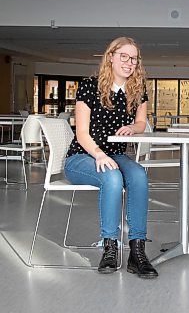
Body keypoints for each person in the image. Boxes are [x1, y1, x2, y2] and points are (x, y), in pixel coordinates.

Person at [64, 37, 158, 278]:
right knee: (113, 177)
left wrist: (132, 129)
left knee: (138, 175)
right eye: (124, 56)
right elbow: (82, 133)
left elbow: (140, 123)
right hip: (83, 155)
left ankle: (137, 251)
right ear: (111, 57)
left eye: (133, 58)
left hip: (115, 154)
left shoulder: (137, 90)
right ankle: (110, 246)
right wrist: (98, 154)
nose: (129, 62)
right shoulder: (89, 86)